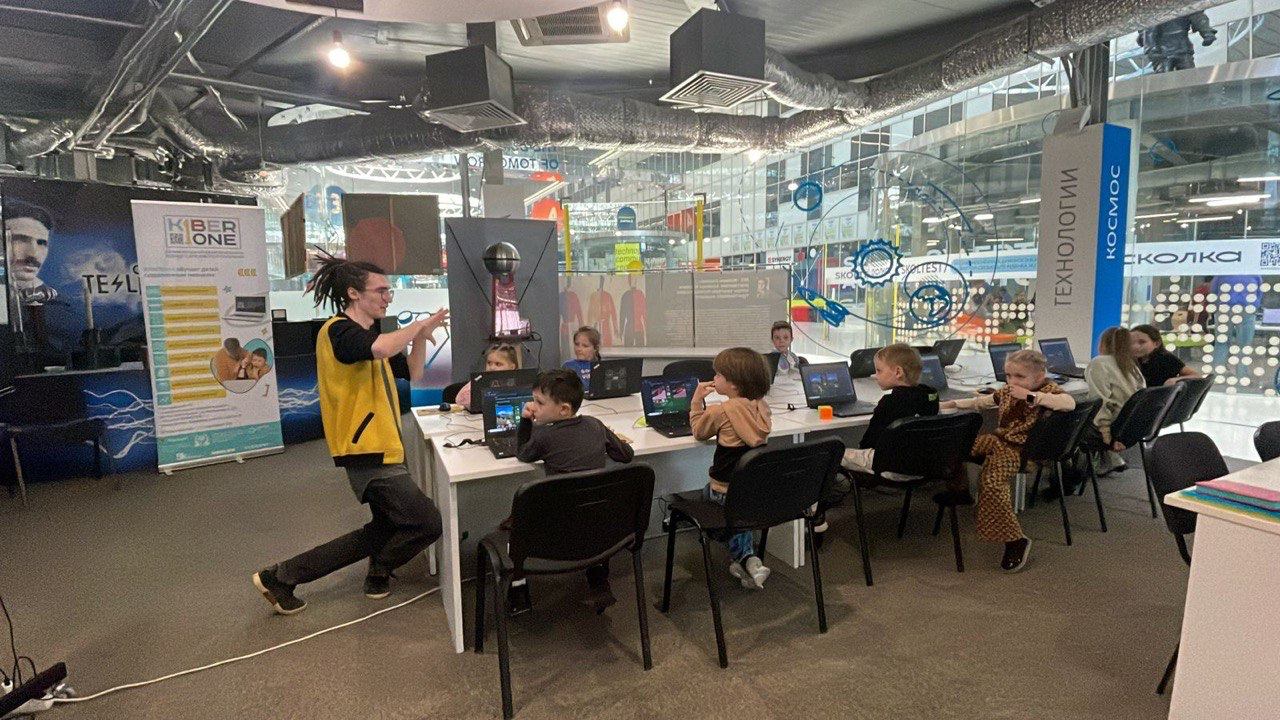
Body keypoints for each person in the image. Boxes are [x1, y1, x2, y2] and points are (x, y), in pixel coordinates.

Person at [252, 257, 449, 615]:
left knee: (382, 530)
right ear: (354, 293)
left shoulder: (372, 337)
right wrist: (418, 325)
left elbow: (414, 372)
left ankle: (281, 576)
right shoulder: (339, 332)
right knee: (427, 521)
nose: (388, 297)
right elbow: (381, 349)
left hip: (385, 446)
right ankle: (380, 567)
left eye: (389, 291)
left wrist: (420, 339)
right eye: (381, 290)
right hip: (365, 450)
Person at [941, 350, 1075, 573]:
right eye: (1009, 376)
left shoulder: (1047, 391)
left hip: (1019, 450)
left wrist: (1029, 396)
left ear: (1039, 376)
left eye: (1019, 376)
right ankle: (962, 492)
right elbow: (981, 402)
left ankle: (1015, 540)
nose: (1012, 381)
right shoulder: (1007, 391)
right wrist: (950, 404)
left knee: (991, 483)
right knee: (954, 448)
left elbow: (1068, 403)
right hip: (998, 440)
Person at [515, 368, 635, 613]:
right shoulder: (595, 425)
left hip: (557, 532)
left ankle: (518, 585)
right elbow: (625, 455)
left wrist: (525, 421)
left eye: (539, 403)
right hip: (600, 531)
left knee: (515, 517)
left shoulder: (544, 437)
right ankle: (598, 575)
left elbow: (522, 453)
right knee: (588, 510)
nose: (533, 407)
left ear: (564, 410)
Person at [813, 344, 939, 542]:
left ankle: (815, 513)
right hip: (924, 466)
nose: (875, 375)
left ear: (898, 372)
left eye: (879, 370)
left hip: (889, 466)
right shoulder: (931, 396)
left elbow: (868, 444)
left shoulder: (890, 403)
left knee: (826, 454)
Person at [690, 347, 773, 589]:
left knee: (714, 499)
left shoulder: (721, 411)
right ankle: (746, 560)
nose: (713, 378)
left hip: (724, 491)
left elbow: (699, 431)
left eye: (718, 375)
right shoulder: (762, 408)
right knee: (736, 506)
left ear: (733, 385)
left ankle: (746, 559)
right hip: (755, 489)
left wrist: (696, 401)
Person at [1085, 327, 1146, 478]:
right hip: (1127, 425)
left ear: (1103, 343)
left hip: (1109, 429)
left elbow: (1100, 401)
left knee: (1065, 419)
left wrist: (1107, 436)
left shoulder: (1099, 363)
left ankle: (1066, 475)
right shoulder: (1131, 366)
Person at [1132, 324, 1199, 387]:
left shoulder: (1166, 358)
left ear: (1156, 344)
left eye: (1142, 342)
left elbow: (1196, 376)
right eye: (1131, 342)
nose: (1135, 346)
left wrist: (1175, 380)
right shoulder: (1131, 360)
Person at [455, 343, 520, 408]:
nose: (492, 368)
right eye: (489, 363)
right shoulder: (480, 380)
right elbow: (459, 399)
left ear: (512, 367)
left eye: (498, 364)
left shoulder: (519, 383)